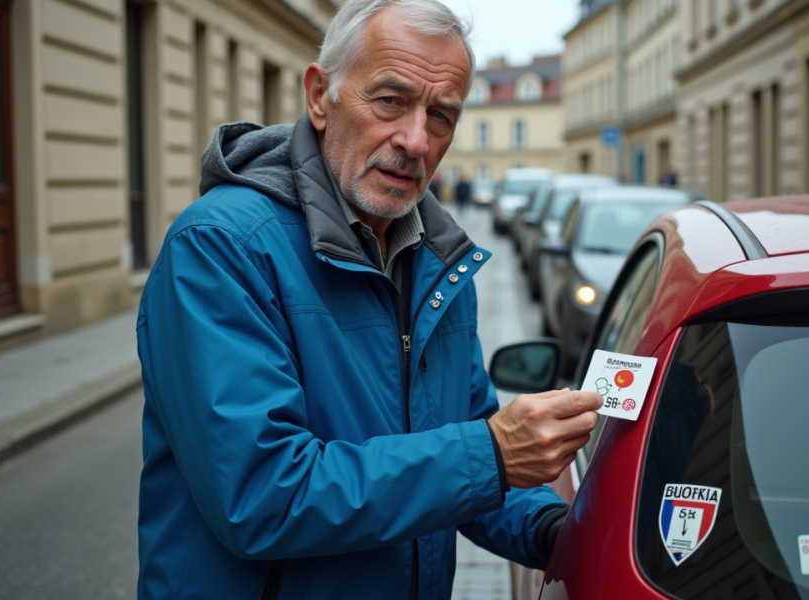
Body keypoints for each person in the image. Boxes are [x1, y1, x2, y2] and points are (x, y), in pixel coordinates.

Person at [135, 1, 603, 598]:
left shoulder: (436, 256)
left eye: (441, 115)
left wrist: (549, 526)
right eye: (390, 100)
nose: (415, 139)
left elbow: (466, 455)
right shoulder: (221, 247)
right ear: (319, 96)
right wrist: (490, 453)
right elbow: (261, 493)